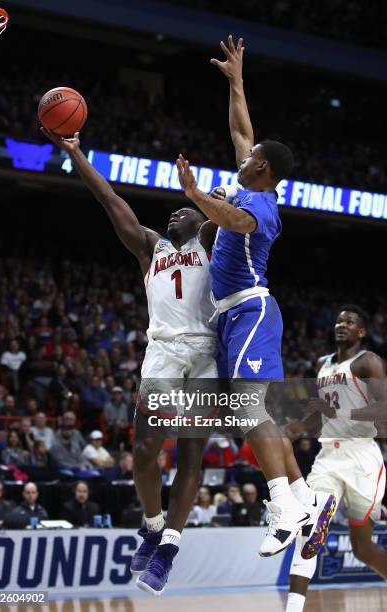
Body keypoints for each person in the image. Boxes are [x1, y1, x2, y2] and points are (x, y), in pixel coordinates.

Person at [42, 124, 218, 596]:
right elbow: (109, 200)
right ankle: (153, 524)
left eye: (187, 211)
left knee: (191, 455)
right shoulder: (150, 248)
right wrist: (76, 153)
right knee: (143, 452)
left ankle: (170, 549)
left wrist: (198, 193)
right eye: (176, 210)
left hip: (205, 355)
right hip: (162, 351)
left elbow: (224, 206)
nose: (178, 212)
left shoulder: (211, 242)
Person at [176, 34, 335, 558]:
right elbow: (242, 128)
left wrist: (198, 196)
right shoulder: (251, 178)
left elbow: (235, 219)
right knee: (252, 412)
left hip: (251, 307)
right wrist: (237, 81)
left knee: (250, 409)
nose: (243, 157)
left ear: (261, 168)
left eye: (251, 159)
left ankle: (283, 508)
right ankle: (305, 498)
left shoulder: (261, 206)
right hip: (231, 317)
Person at [286, 306, 387, 612]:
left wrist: (340, 413)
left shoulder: (368, 361)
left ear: (361, 332)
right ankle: (293, 607)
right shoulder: (322, 364)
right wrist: (299, 427)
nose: (341, 324)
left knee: (362, 548)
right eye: (339, 320)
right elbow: (320, 415)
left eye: (350, 321)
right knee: (310, 527)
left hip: (361, 458)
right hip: (328, 456)